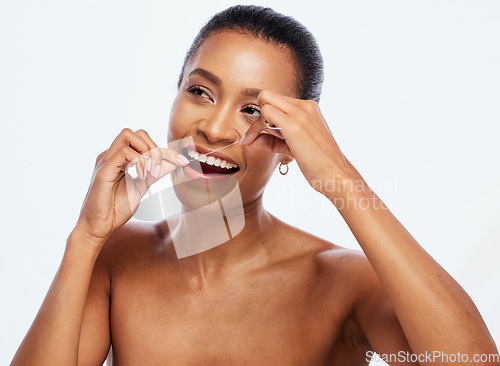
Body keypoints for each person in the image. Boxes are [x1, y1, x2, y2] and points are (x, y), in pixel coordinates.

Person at [11, 5, 499, 366]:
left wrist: (339, 178)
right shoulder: (117, 259)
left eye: (253, 110)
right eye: (199, 91)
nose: (216, 129)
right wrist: (86, 237)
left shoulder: (342, 282)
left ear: (292, 142)